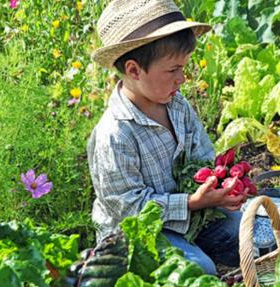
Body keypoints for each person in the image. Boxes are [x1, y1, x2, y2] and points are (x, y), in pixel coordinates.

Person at [87, 0, 246, 275]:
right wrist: (191, 202)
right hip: (139, 235)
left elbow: (202, 156)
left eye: (183, 68)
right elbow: (129, 209)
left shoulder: (177, 105)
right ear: (134, 70)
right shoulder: (114, 134)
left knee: (252, 234)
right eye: (173, 70)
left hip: (193, 215)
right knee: (197, 272)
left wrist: (219, 185)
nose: (182, 78)